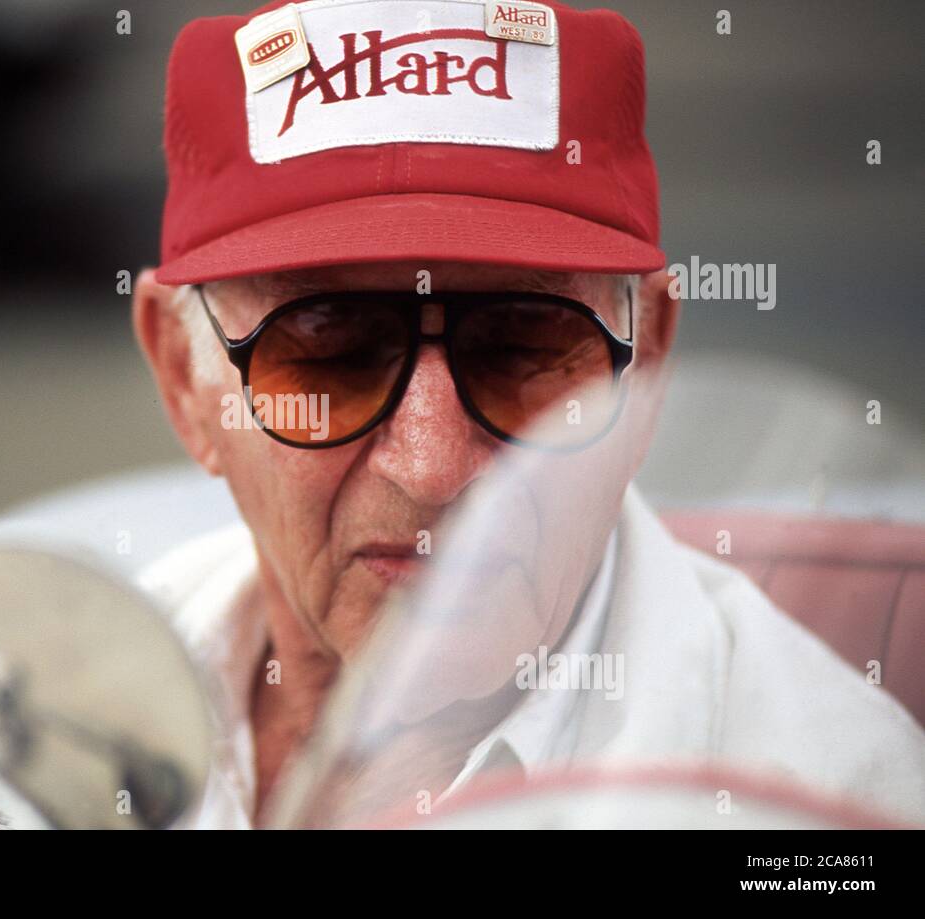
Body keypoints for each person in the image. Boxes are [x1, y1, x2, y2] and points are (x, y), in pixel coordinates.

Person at [130, 0, 925, 828]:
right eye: (331, 345)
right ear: (185, 375)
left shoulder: (825, 805)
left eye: (521, 346)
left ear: (645, 358)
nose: (433, 469)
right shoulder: (46, 717)